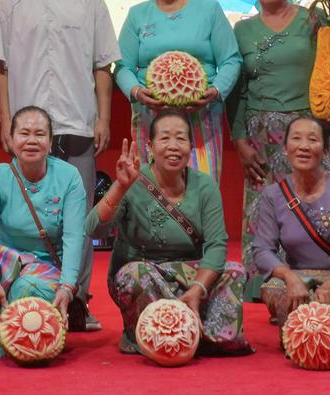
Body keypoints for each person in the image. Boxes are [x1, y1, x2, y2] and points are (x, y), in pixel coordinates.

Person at [0, 0, 118, 331]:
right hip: (28, 132)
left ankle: (78, 300)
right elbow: (1, 69)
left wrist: (103, 117)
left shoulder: (90, 1)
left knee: (78, 220)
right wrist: (5, 121)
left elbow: (103, 65)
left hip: (77, 123)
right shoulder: (11, 3)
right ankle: (33, 292)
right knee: (27, 215)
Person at [228, 0, 330, 299]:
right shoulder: (242, 30)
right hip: (261, 134)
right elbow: (238, 90)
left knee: (321, 202)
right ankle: (267, 286)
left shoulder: (313, 19)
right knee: (263, 207)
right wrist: (239, 139)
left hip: (310, 128)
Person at [88, 108, 251, 357]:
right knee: (135, 275)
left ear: (191, 147)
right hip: (145, 274)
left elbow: (217, 245)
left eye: (181, 138)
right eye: (165, 138)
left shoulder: (205, 186)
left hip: (189, 276)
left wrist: (197, 288)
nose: (173, 146)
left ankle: (190, 333)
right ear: (150, 147)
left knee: (234, 271)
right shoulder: (132, 179)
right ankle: (166, 333)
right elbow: (92, 229)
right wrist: (119, 187)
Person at [0, 106, 86, 359]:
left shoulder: (69, 177)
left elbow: (74, 237)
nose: (31, 140)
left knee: (27, 287)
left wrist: (67, 287)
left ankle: (8, 345)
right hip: (8, 262)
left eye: (40, 134)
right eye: (24, 133)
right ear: (11, 139)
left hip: (46, 268)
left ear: (50, 142)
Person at [252, 115, 330, 358]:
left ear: (326, 150)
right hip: (298, 279)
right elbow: (262, 250)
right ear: (285, 148)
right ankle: (308, 336)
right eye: (296, 139)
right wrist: (289, 277)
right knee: (277, 292)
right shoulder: (273, 195)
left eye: (312, 139)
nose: (304, 146)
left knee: (328, 312)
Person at [113, 0, 241, 177]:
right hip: (150, 115)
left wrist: (215, 91)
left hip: (202, 114)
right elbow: (122, 66)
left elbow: (231, 60)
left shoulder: (209, 9)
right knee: (154, 188)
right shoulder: (137, 14)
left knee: (201, 186)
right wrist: (137, 92)